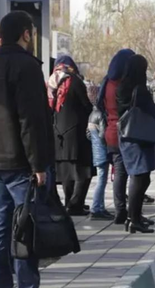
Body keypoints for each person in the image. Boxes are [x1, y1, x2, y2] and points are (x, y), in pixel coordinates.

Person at [0, 11, 51, 287]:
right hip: (20, 161)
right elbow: (30, 120)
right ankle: (27, 283)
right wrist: (38, 164)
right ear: (26, 34)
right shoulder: (27, 67)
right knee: (25, 227)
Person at [116, 55, 155, 234]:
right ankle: (133, 219)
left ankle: (134, 216)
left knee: (139, 177)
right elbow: (153, 110)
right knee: (140, 178)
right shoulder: (140, 89)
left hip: (127, 135)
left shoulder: (121, 87)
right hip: (140, 137)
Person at [48, 55, 94, 216]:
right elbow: (86, 106)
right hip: (76, 133)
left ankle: (69, 202)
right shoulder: (75, 81)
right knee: (83, 171)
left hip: (58, 133)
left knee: (67, 172)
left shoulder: (51, 82)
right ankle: (76, 204)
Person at [97, 49, 135, 225]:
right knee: (131, 173)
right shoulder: (123, 85)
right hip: (125, 132)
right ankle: (127, 211)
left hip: (111, 132)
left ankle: (120, 210)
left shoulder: (107, 82)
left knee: (119, 173)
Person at [87, 85, 113, 221]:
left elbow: (88, 134)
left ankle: (100, 207)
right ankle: (96, 208)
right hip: (103, 152)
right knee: (102, 181)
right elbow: (104, 135)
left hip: (96, 152)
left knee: (101, 180)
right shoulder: (101, 114)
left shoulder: (91, 114)